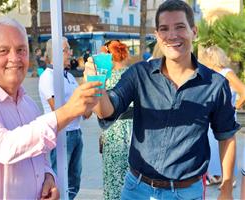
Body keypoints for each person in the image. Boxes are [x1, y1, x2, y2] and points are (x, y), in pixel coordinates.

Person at [84, 0, 238, 199]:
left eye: (180, 27)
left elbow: (226, 137)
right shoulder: (139, 74)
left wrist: (226, 189)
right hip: (136, 189)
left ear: (194, 31)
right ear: (157, 36)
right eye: (164, 29)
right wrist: (96, 86)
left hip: (186, 193)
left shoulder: (215, 85)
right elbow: (107, 110)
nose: (172, 35)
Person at [0, 17, 101, 199]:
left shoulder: (28, 105)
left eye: (21, 50)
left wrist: (49, 177)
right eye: (4, 51)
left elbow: (40, 157)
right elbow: (5, 147)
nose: (14, 58)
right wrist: (68, 112)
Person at [38, 37, 91, 200]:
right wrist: (81, 104)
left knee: (74, 180)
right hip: (61, 135)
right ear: (56, 53)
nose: (70, 53)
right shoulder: (48, 77)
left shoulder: (69, 77)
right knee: (59, 182)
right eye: (66, 49)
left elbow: (86, 112)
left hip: (76, 133)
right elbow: (59, 110)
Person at [200, 45, 245, 187]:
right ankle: (217, 176)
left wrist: (233, 107)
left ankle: (229, 179)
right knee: (213, 148)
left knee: (226, 146)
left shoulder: (227, 73)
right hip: (212, 117)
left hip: (226, 116)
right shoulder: (210, 74)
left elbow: (243, 91)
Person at [99, 40, 133, 200]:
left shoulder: (105, 79)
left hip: (113, 129)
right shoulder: (132, 74)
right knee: (132, 175)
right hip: (133, 129)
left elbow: (100, 111)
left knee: (113, 177)